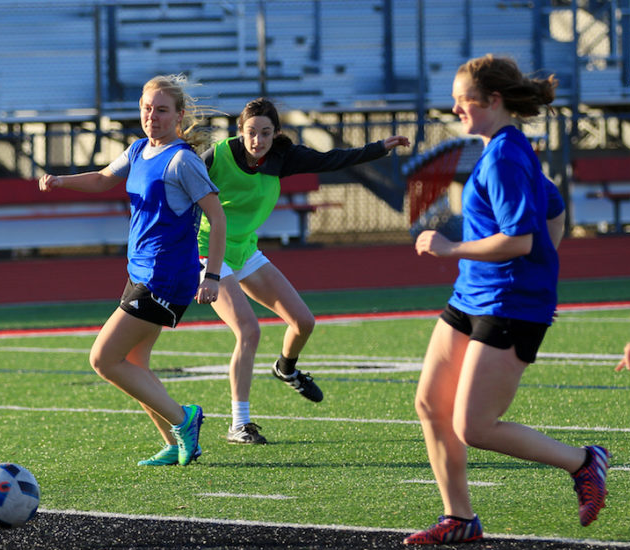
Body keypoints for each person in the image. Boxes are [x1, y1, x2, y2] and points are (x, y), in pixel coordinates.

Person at [404, 55, 610, 545]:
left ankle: (584, 461)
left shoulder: (503, 156)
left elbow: (518, 240)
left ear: (493, 100)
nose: (455, 109)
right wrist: (544, 255)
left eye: (463, 100)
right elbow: (554, 208)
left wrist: (451, 247)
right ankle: (460, 518)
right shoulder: (506, 147)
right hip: (472, 295)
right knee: (431, 403)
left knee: (474, 426)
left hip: (510, 303)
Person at [38, 74, 226, 467]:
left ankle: (184, 419)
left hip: (165, 277)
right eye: (146, 108)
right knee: (135, 364)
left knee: (103, 359)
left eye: (161, 110)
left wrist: (213, 277)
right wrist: (60, 180)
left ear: (179, 115)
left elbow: (217, 217)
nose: (152, 116)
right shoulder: (140, 149)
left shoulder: (182, 160)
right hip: (141, 274)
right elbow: (104, 179)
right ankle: (175, 444)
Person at [197, 97, 410, 444]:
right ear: (240, 132)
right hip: (207, 253)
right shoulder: (217, 156)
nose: (258, 140)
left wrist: (378, 148)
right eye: (251, 132)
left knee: (304, 322)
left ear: (275, 133)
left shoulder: (283, 156)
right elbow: (180, 193)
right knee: (249, 331)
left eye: (266, 133)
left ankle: (286, 369)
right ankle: (239, 423)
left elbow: (332, 159)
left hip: (246, 250)